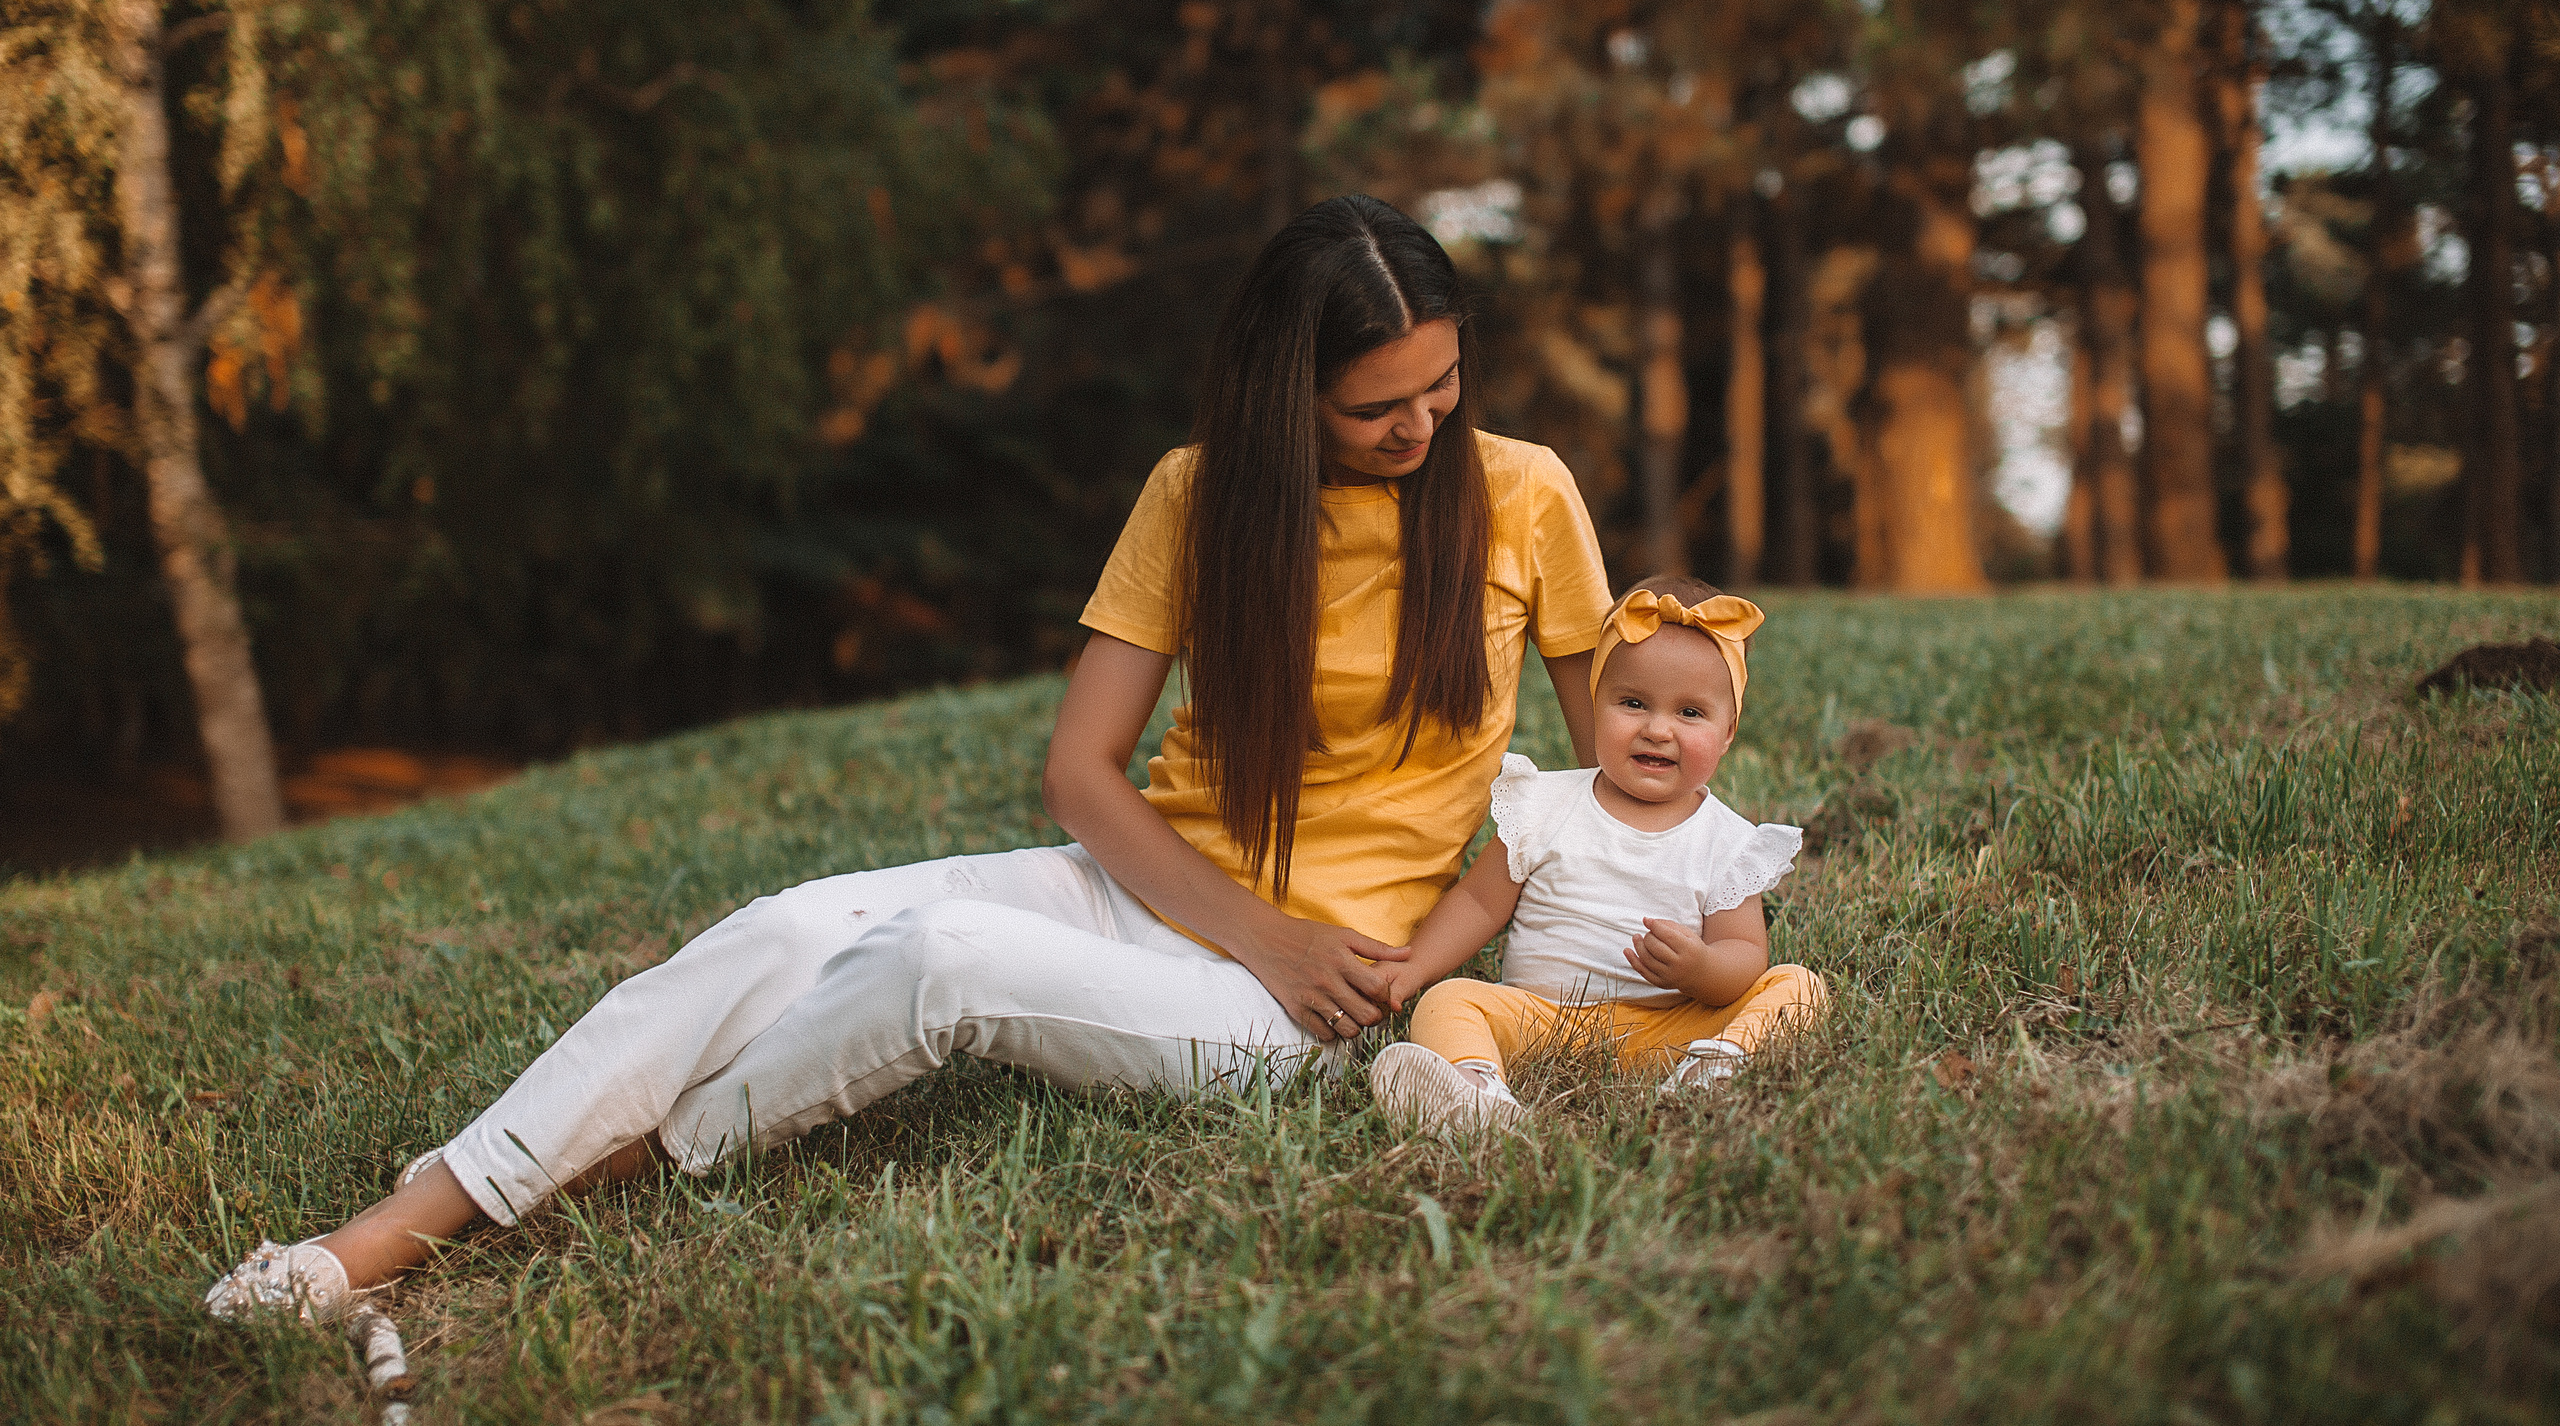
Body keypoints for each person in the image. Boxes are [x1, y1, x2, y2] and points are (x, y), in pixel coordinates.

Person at [205, 193, 1613, 1323]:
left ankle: (612, 1167)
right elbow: (1082, 771)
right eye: (1381, 405)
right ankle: (392, 1227)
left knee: (939, 958)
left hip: (1311, 1005)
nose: (1423, 426)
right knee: (787, 925)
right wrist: (1260, 928)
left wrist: (1405, 959)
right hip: (1153, 895)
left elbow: (1614, 771)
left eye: (1441, 385)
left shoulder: (1526, 492)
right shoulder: (1197, 495)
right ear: (1285, 393)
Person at [1368, 575, 1827, 1137]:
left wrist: (1702, 969)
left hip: (1669, 1026)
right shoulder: (1546, 804)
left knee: (1795, 986)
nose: (1657, 729)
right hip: (1543, 1020)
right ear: (1595, 703)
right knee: (1449, 1000)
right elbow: (1479, 903)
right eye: (1633, 703)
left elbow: (1743, 952)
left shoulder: (1727, 841)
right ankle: (1477, 1095)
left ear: (1728, 731)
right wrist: (1413, 966)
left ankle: (1712, 1070)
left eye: (1690, 713)